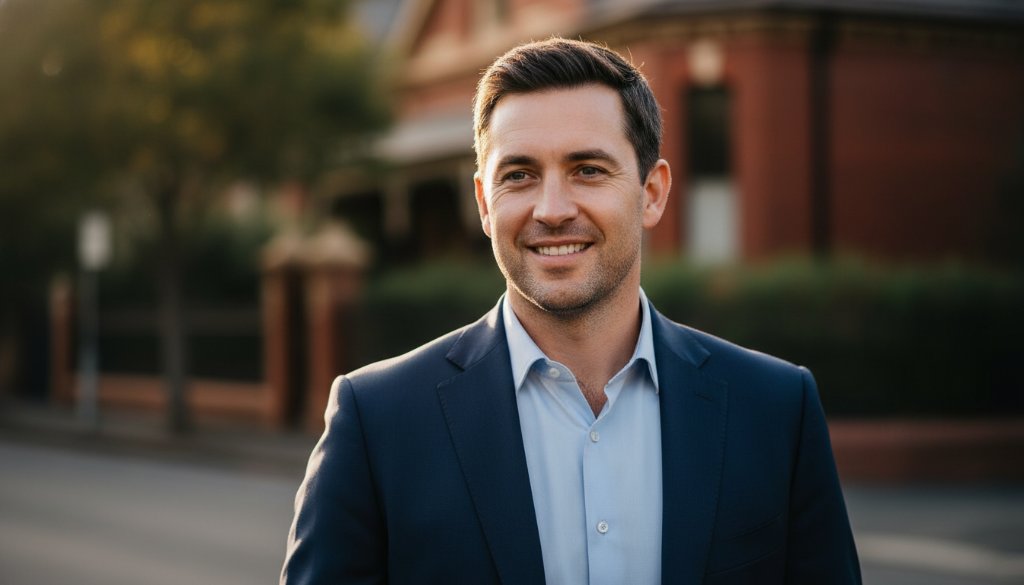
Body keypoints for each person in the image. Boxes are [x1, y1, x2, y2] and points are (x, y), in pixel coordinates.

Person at [281, 37, 861, 585]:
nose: (552, 209)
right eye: (520, 175)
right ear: (485, 204)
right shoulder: (376, 421)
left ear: (652, 192)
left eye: (588, 169)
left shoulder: (776, 410)